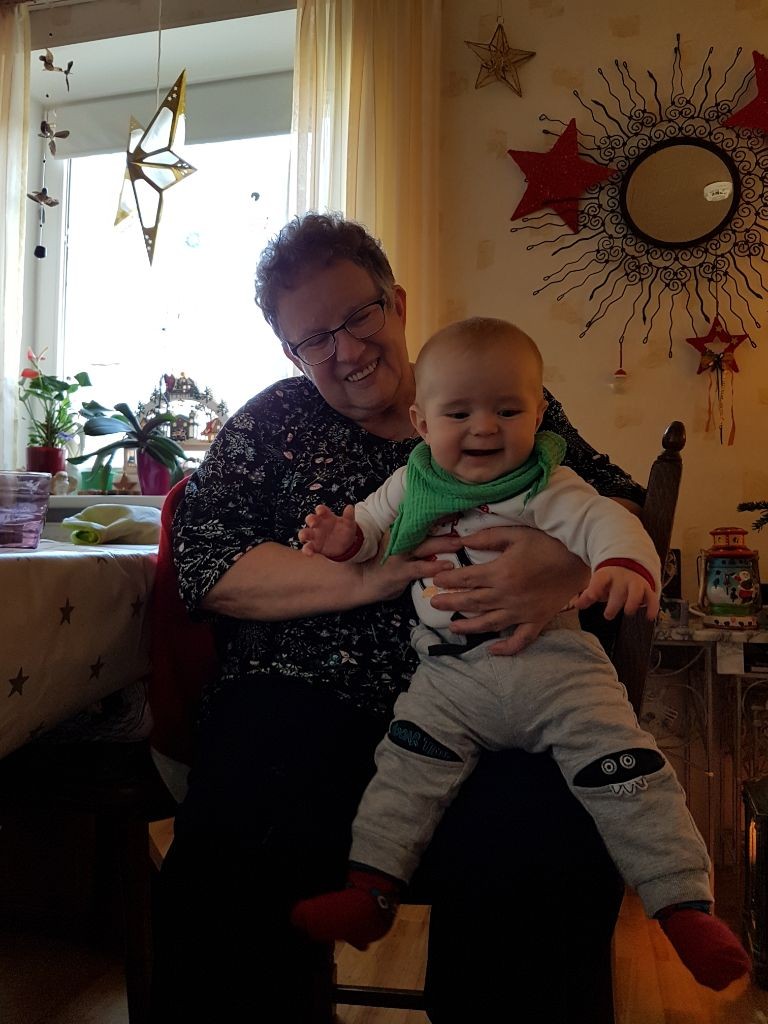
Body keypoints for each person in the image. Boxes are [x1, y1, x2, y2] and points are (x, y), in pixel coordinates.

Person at [152, 212, 666, 1023]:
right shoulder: (272, 421)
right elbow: (206, 562)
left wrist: (561, 566)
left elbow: (623, 504)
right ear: (290, 353)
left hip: (500, 698)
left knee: (549, 840)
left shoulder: (487, 386)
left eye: (359, 316)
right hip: (301, 696)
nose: (346, 350)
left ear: (396, 301)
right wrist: (372, 577)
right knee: (237, 839)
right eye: (313, 339)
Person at [289, 318, 750, 992]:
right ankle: (373, 889)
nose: (484, 427)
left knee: (627, 771)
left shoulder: (546, 483)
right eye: (459, 413)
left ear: (538, 416)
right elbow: (369, 530)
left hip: (555, 666)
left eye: (507, 411)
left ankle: (682, 905)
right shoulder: (409, 482)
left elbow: (606, 520)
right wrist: (341, 539)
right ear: (422, 422)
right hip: (449, 675)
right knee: (405, 767)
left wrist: (624, 563)